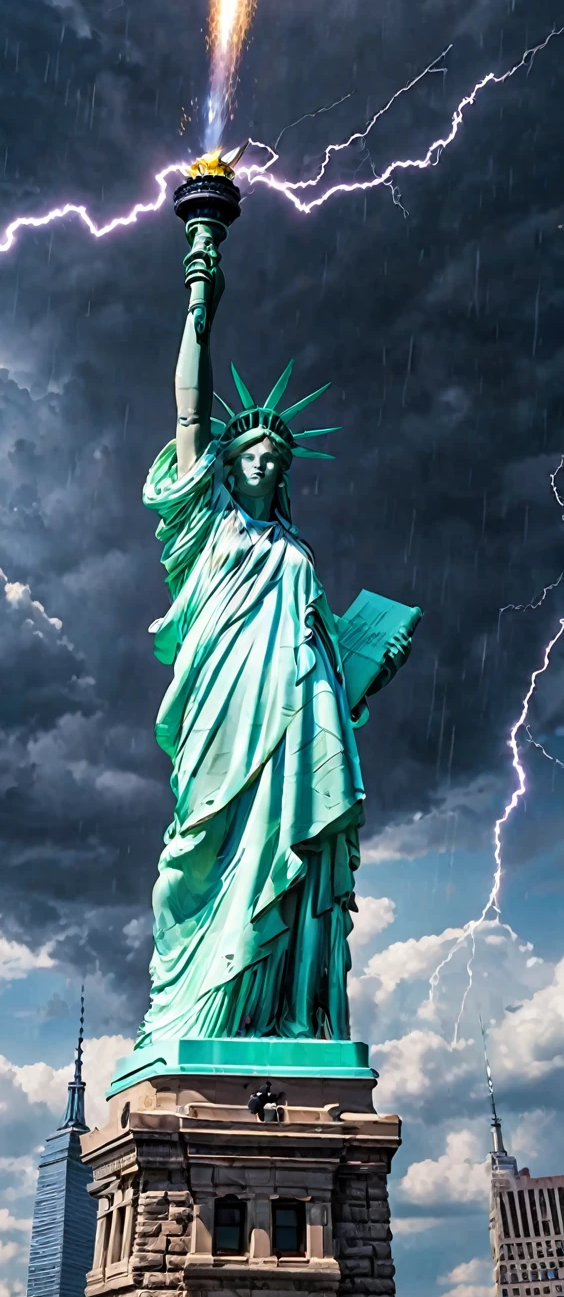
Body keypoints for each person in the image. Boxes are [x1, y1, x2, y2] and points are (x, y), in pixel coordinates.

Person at [137, 205, 414, 1047]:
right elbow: (191, 409)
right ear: (228, 460)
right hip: (223, 702)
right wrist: (199, 305)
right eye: (253, 448)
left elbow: (329, 640)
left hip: (298, 709)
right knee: (204, 846)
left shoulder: (295, 549)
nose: (266, 457)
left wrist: (371, 664)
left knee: (288, 848)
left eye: (277, 456)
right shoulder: (209, 524)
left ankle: (280, 1012)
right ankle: (195, 1004)